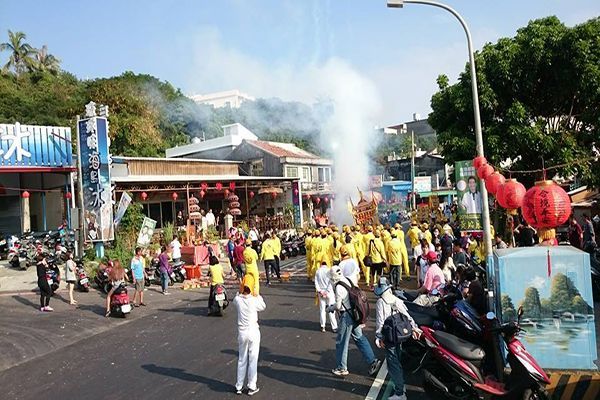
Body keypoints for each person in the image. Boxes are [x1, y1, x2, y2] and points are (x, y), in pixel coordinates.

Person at [327, 265, 381, 377]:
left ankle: (342, 368)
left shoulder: (338, 287)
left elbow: (338, 305)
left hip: (346, 316)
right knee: (359, 338)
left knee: (341, 342)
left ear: (333, 278)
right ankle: (372, 361)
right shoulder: (347, 280)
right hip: (355, 313)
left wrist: (330, 308)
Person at [374, 277, 421, 400]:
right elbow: (407, 315)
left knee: (393, 364)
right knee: (397, 362)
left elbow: (380, 322)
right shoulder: (396, 299)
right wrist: (414, 328)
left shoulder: (381, 302)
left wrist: (379, 338)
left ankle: (400, 393)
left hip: (389, 337)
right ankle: (401, 386)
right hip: (399, 335)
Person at [233, 275, 266, 396]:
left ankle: (239, 386)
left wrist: (241, 288)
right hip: (253, 331)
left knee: (242, 359)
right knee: (253, 359)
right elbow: (263, 306)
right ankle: (252, 386)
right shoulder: (254, 300)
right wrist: (257, 293)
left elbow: (237, 296)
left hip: (242, 332)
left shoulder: (237, 300)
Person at [315, 260, 338, 333]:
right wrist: (327, 291)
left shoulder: (318, 271)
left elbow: (316, 282)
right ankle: (334, 327)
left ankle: (323, 326)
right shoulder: (329, 271)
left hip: (321, 292)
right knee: (331, 309)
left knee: (322, 309)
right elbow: (331, 282)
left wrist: (320, 291)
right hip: (329, 292)